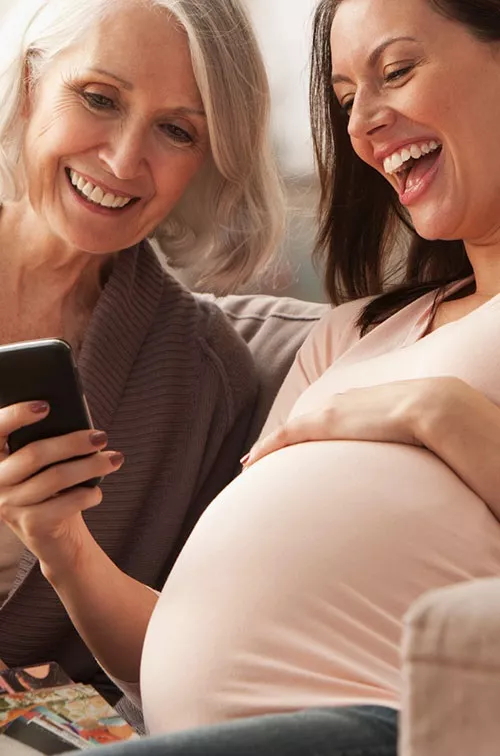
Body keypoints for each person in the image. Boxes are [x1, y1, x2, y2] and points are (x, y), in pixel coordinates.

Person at [8, 0, 500, 753]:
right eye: (343, 100)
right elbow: (184, 634)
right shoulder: (353, 334)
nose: (362, 123)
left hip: (380, 718)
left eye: (395, 71)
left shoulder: (200, 372)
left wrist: (436, 412)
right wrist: (61, 543)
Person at [0, 0, 284, 727]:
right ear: (31, 85)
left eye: (175, 130)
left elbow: (192, 664)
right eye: (99, 98)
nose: (125, 161)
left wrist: (61, 544)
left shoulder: (205, 378)